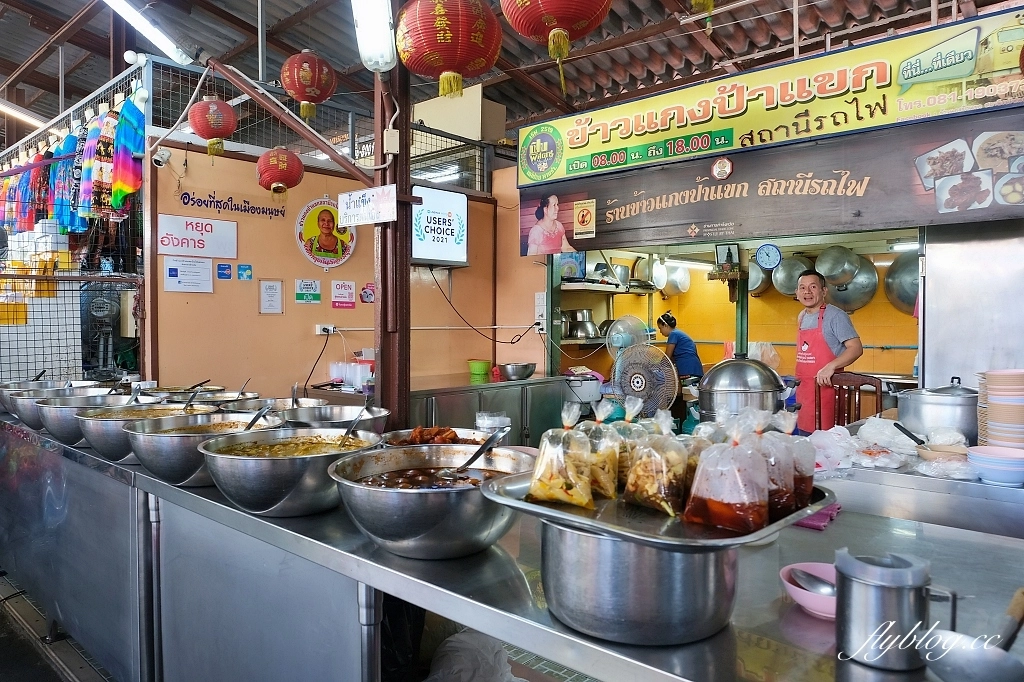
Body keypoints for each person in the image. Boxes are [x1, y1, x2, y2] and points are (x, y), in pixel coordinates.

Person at [794, 269, 864, 434]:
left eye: (813, 287)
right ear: (797, 292)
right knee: (806, 445)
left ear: (824, 291)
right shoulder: (802, 316)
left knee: (827, 448)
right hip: (805, 393)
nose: (807, 292)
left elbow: (856, 347)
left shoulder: (835, 316)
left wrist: (831, 366)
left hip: (827, 393)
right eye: (802, 288)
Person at [657, 312, 703, 380]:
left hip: (687, 367)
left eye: (660, 328)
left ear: (665, 325)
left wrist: (657, 368)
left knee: (687, 390)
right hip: (695, 367)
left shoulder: (673, 334)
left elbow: (668, 357)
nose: (660, 331)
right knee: (691, 389)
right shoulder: (678, 333)